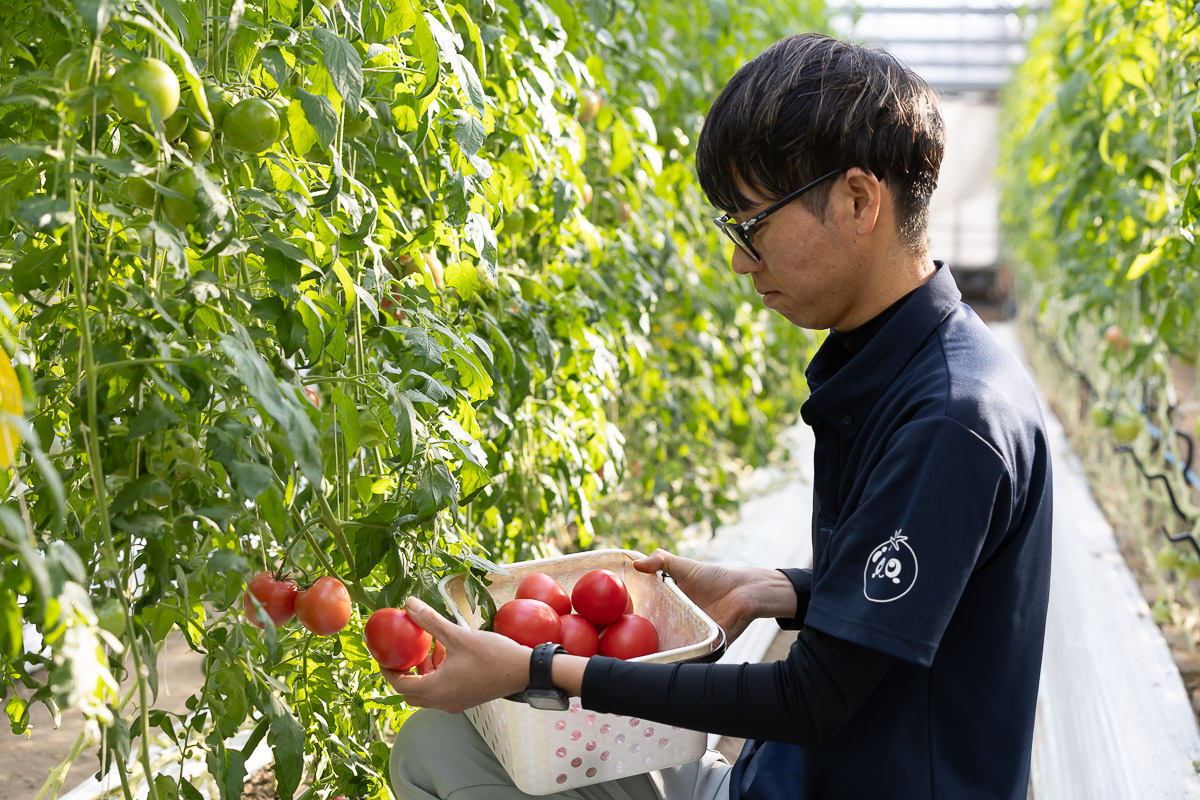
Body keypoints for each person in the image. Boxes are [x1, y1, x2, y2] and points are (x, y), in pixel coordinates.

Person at [384, 32, 1053, 800]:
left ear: (859, 200)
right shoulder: (918, 368)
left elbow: (810, 697)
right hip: (787, 779)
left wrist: (538, 669)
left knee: (446, 750)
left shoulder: (948, 419)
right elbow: (933, 590)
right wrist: (779, 588)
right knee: (441, 741)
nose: (740, 259)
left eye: (752, 223)